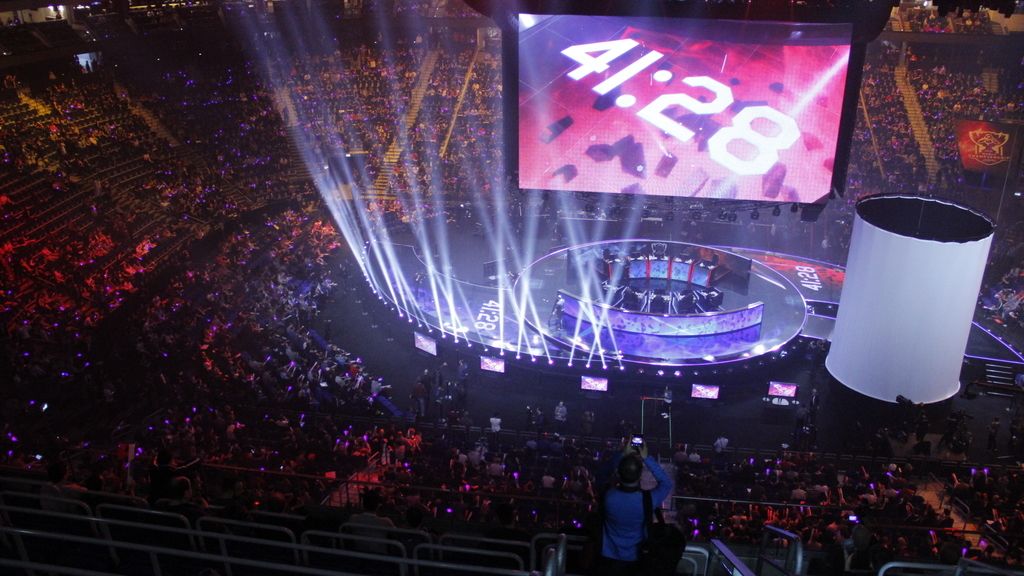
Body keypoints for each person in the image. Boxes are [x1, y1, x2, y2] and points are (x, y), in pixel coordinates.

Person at [600, 442, 673, 575]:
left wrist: (623, 454)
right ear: (640, 475)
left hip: (607, 557)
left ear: (619, 473)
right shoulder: (648, 500)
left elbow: (601, 474)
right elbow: (667, 483)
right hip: (636, 558)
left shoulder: (607, 495)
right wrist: (646, 458)